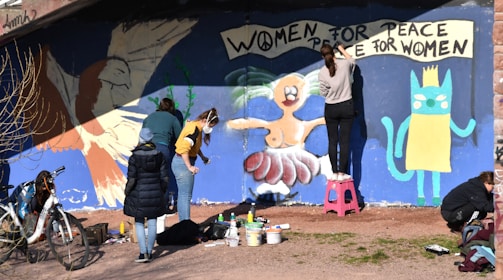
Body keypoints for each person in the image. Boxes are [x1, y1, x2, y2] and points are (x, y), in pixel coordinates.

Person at [123, 127, 169, 263]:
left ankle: (143, 253)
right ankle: (150, 251)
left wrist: (127, 191)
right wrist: (161, 191)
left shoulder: (134, 157)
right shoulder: (159, 155)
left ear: (141, 139)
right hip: (155, 193)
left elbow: (131, 179)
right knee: (152, 221)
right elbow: (164, 178)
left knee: (139, 221)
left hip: (138, 194)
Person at [172, 108, 219, 221]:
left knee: (184, 195)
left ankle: (184, 223)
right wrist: (189, 167)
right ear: (204, 120)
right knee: (185, 196)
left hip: (182, 161)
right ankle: (185, 224)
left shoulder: (195, 127)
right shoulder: (194, 129)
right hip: (182, 163)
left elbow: (193, 146)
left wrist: (202, 157)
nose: (210, 128)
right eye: (211, 125)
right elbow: (184, 149)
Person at [318, 42, 356, 181]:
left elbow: (323, 91)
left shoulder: (322, 72)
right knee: (344, 141)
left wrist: (332, 93)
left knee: (332, 141)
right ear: (334, 53)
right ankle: (342, 173)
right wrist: (341, 49)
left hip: (331, 108)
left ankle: (334, 172)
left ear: (323, 56)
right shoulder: (345, 65)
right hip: (346, 105)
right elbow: (352, 60)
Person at [142, 98, 182, 213]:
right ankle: (162, 207)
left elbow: (142, 134)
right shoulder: (173, 119)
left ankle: (147, 206)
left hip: (146, 149)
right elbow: (179, 137)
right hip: (162, 149)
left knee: (147, 178)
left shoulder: (149, 117)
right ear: (171, 108)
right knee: (163, 179)